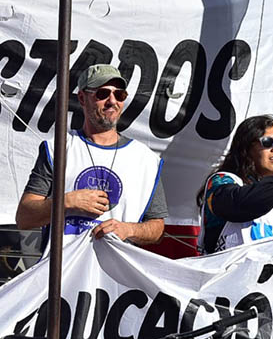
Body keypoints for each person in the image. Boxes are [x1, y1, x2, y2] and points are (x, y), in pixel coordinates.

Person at [15, 64, 166, 250]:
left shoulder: (145, 159)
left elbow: (157, 228)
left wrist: (128, 229)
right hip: (65, 273)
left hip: (115, 275)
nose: (112, 101)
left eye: (119, 95)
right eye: (102, 94)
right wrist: (67, 202)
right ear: (82, 98)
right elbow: (24, 217)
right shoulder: (58, 149)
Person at [197, 114, 273, 253]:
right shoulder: (222, 181)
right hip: (229, 273)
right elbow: (239, 204)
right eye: (268, 142)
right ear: (247, 147)